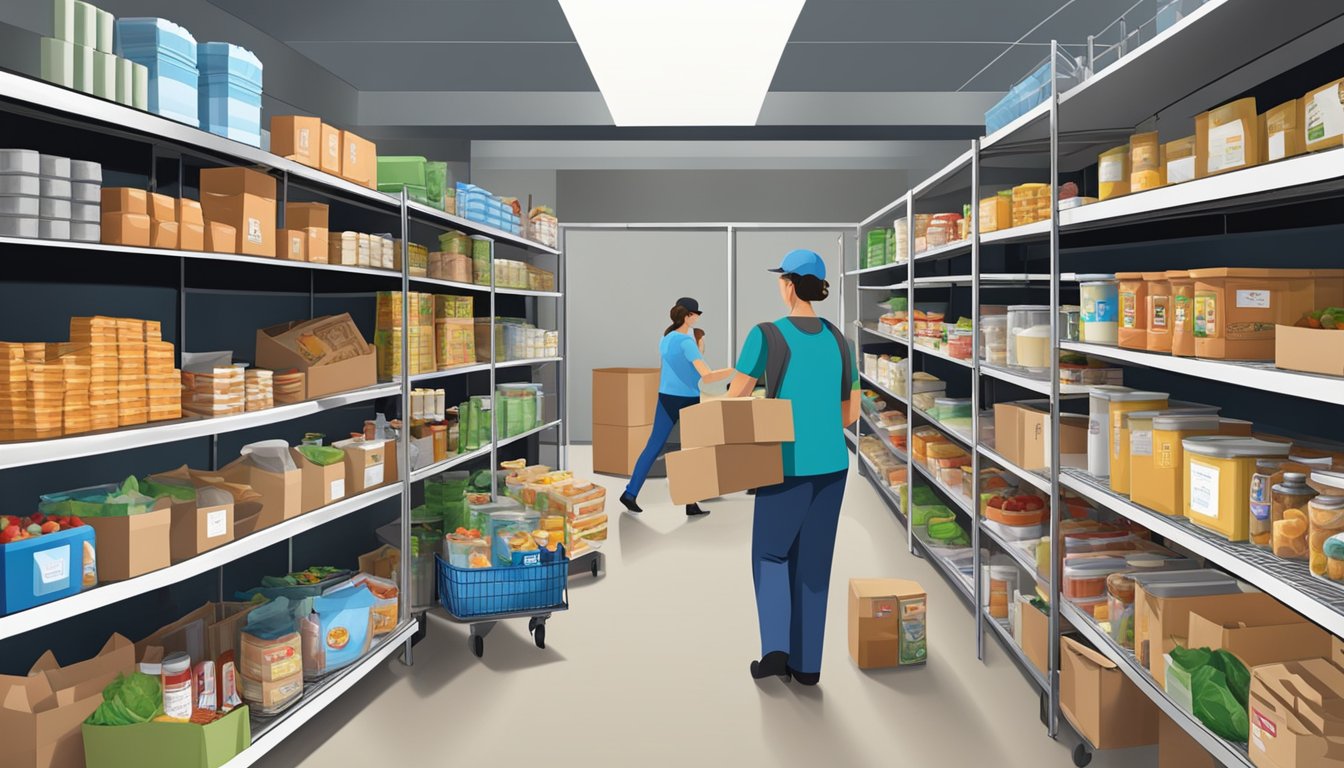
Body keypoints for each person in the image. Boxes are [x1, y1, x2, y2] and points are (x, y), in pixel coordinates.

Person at [726, 249, 860, 686]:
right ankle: (807, 667)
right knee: (814, 566)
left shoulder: (766, 335)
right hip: (833, 468)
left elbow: (735, 401)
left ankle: (774, 652)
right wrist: (817, 420)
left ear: (788, 284)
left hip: (784, 465)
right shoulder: (841, 341)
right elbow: (849, 414)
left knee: (770, 555)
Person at [619, 298, 733, 517]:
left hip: (666, 398)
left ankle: (630, 493)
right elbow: (706, 375)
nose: (698, 317)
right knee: (692, 451)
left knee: (653, 446)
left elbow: (679, 367)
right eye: (697, 313)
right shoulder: (686, 342)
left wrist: (699, 348)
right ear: (689, 316)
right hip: (689, 400)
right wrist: (733, 371)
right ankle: (690, 504)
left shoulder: (666, 339)